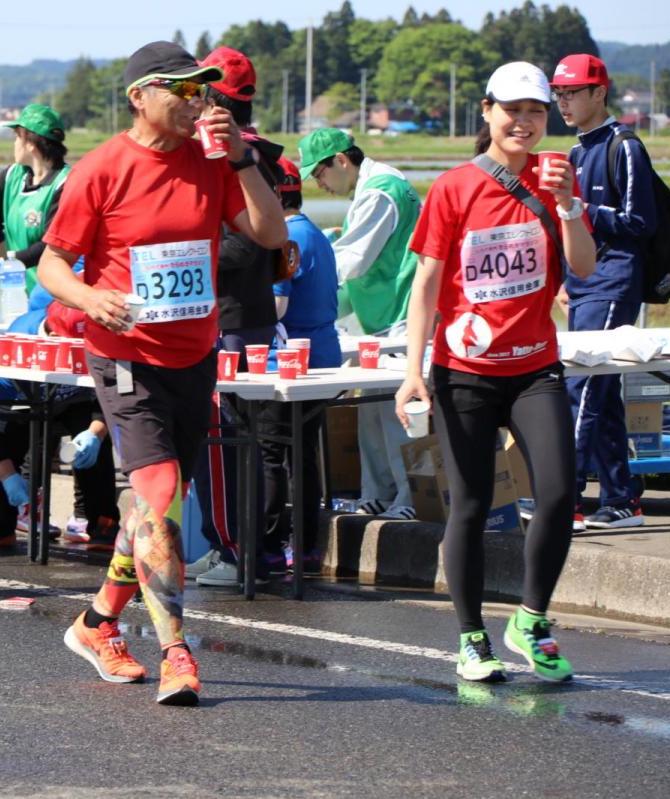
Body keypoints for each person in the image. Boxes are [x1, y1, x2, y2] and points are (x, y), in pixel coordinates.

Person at [38, 41, 286, 705]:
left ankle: (97, 623)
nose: (197, 100)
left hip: (193, 355)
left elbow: (269, 232)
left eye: (203, 88)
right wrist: (90, 298)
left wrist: (241, 160)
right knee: (159, 487)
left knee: (159, 509)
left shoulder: (213, 163)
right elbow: (52, 263)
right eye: (181, 89)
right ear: (139, 96)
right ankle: (178, 650)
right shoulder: (102, 169)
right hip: (124, 355)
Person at [395, 62, 596, 684]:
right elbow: (427, 283)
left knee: (561, 492)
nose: (524, 122)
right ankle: (472, 636)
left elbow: (584, 268)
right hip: (465, 372)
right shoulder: (454, 187)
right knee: (472, 505)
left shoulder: (557, 176)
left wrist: (567, 207)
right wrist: (414, 371)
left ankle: (530, 621)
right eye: (512, 110)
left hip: (535, 366)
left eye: (536, 110)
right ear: (486, 112)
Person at [188, 45, 284, 588]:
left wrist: (182, 250)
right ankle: (238, 546)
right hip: (241, 316)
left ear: (209, 95)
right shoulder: (252, 153)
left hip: (231, 320)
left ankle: (236, 550)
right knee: (241, 441)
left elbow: (249, 247)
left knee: (224, 441)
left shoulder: (236, 156)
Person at [551, 53, 657, 530]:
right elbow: (567, 223)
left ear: (600, 93)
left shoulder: (625, 146)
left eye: (572, 93)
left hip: (615, 281)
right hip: (582, 283)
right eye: (559, 94)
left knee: (580, 389)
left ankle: (565, 501)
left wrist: (582, 206)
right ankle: (621, 499)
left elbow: (641, 223)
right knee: (602, 393)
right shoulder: (575, 152)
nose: (564, 102)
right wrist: (560, 278)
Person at [299, 128, 420, 520]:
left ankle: (409, 497)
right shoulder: (369, 187)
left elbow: (353, 259)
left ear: (340, 160)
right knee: (368, 408)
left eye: (319, 174)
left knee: (395, 410)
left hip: (399, 314)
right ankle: (377, 492)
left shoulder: (381, 190)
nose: (319, 184)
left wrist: (307, 272)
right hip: (376, 315)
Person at [0, 294, 119, 551]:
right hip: (29, 399)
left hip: (79, 400)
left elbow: (112, 394)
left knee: (94, 443)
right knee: (6, 443)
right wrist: (7, 475)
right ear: (51, 335)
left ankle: (104, 523)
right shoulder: (17, 344)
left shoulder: (97, 336)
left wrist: (96, 433)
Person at [257, 156, 340, 573]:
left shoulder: (284, 238)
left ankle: (270, 546)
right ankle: (306, 546)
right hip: (323, 353)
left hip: (289, 360)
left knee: (272, 452)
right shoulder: (315, 234)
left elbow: (276, 305)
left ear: (273, 194)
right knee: (303, 454)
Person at [0, 103, 70, 295]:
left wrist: (4, 262)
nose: (14, 143)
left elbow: (50, 246)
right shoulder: (14, 175)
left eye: (17, 137)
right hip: (18, 290)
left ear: (31, 144)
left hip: (51, 293)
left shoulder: (65, 183)